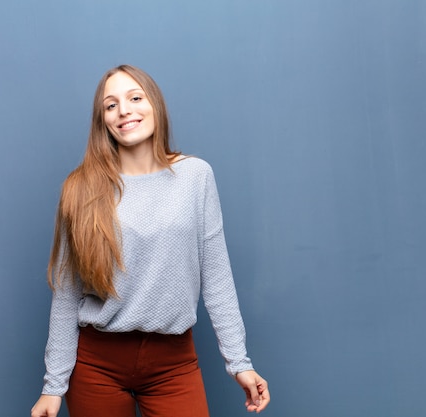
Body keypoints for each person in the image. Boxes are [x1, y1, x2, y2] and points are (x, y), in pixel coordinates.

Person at [31, 64, 270, 417]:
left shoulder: (195, 176)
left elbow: (217, 278)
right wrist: (53, 387)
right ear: (103, 121)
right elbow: (67, 296)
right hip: (96, 366)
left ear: (154, 104)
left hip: (173, 363)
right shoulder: (80, 188)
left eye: (135, 98)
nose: (124, 110)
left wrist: (239, 362)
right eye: (110, 105)